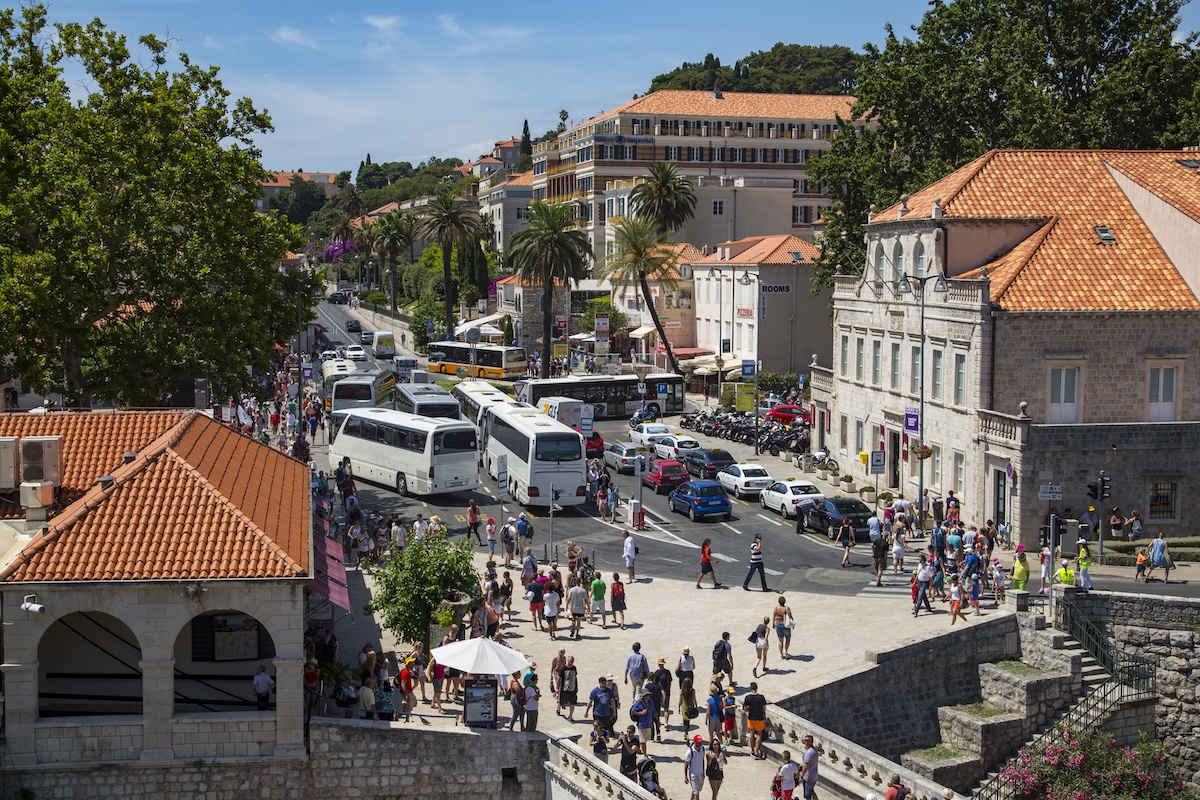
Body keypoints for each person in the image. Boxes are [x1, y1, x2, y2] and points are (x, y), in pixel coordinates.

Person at [742, 682, 768, 759]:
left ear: (750, 688)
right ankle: (757, 751)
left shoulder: (747, 697)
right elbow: (764, 708)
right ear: (757, 688)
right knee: (759, 734)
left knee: (752, 734)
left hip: (751, 717)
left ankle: (752, 750)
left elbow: (745, 708)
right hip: (759, 717)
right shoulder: (761, 697)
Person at [650, 657, 673, 734]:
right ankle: (666, 723)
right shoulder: (668, 672)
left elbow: (655, 682)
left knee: (658, 709)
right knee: (666, 708)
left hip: (658, 693)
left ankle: (658, 721)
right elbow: (670, 682)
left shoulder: (657, 673)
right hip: (667, 692)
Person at [684, 735, 707, 800]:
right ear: (695, 742)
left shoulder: (702, 749)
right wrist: (685, 777)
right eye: (698, 742)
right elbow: (686, 764)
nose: (699, 743)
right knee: (697, 794)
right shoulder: (690, 752)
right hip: (693, 775)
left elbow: (702, 760)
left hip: (701, 774)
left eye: (700, 742)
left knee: (696, 790)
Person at [799, 734, 820, 800]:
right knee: (811, 791)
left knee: (807, 795)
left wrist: (801, 776)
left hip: (808, 777)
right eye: (804, 740)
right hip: (814, 776)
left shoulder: (809, 753)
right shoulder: (814, 750)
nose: (805, 742)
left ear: (811, 742)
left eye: (806, 740)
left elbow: (806, 766)